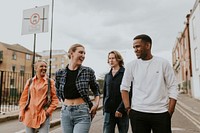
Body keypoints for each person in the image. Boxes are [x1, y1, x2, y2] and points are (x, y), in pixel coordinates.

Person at [121, 34, 179, 133]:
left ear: (147, 46)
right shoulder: (131, 66)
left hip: (160, 113)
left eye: (138, 46)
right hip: (138, 113)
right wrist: (128, 109)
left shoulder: (163, 63)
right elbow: (124, 88)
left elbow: (173, 87)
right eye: (134, 47)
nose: (135, 49)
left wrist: (170, 111)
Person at [55, 43, 100, 133]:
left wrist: (96, 104)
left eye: (84, 53)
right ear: (72, 53)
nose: (83, 55)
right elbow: (58, 91)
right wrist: (64, 103)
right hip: (65, 113)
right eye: (80, 52)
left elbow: (96, 89)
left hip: (82, 112)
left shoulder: (88, 71)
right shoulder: (60, 73)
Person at [19, 59, 59, 133]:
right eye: (41, 66)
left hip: (43, 116)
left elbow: (55, 100)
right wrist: (21, 112)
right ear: (36, 68)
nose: (44, 68)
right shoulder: (30, 81)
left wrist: (47, 112)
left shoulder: (50, 82)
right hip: (29, 115)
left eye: (45, 67)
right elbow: (23, 99)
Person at [103, 50, 129, 133]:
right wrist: (104, 109)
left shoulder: (126, 74)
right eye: (109, 58)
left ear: (118, 59)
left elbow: (129, 93)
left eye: (113, 58)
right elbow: (105, 93)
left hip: (122, 111)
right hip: (108, 112)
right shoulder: (107, 76)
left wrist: (121, 109)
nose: (111, 60)